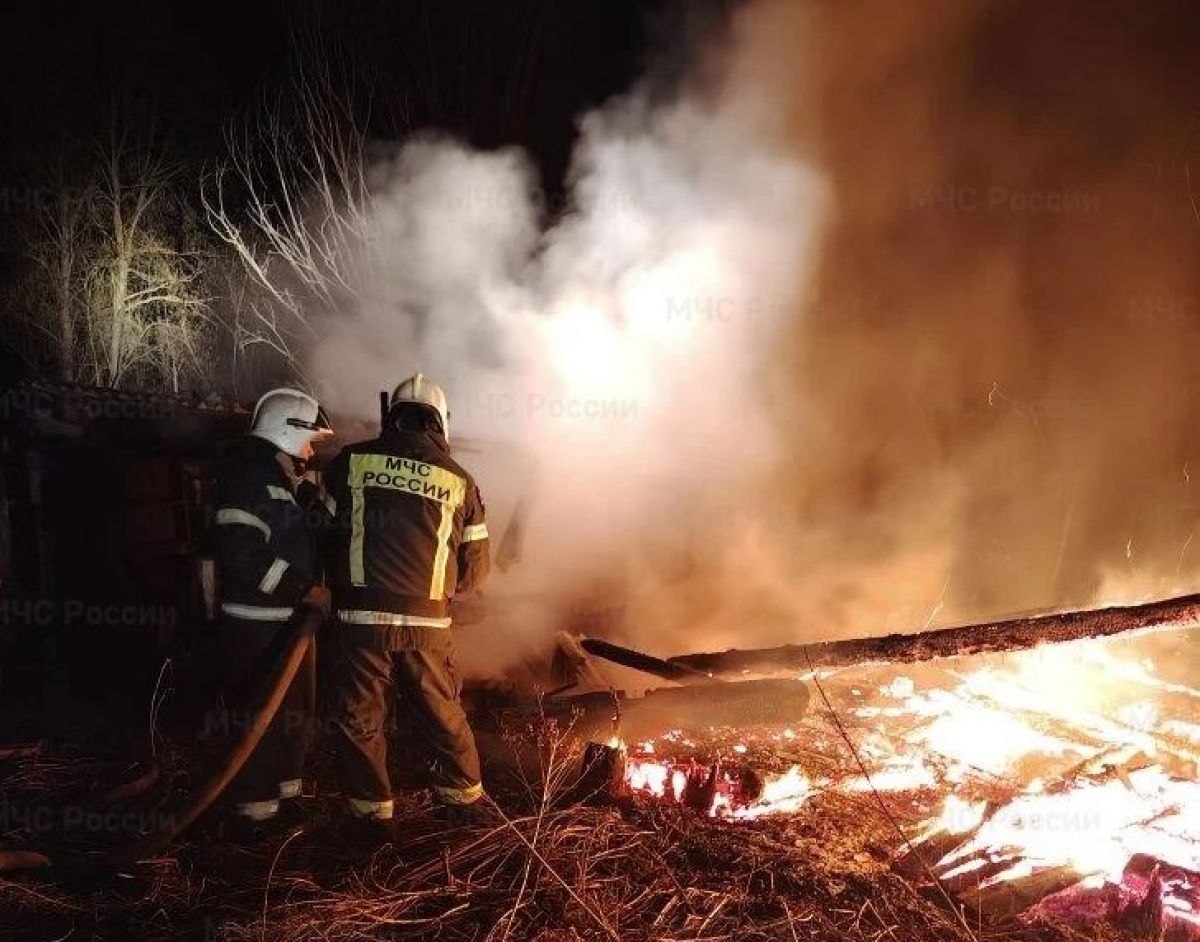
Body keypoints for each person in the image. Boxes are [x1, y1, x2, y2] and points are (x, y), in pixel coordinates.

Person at [324, 373, 491, 831]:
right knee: (442, 712)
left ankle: (371, 821)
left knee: (360, 719)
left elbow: (323, 536)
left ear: (391, 416)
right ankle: (463, 807)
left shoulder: (350, 462)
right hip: (428, 626)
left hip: (360, 621)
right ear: (440, 422)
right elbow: (475, 573)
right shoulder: (459, 481)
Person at [212, 387, 334, 835]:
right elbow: (241, 553)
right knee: (261, 718)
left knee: (293, 716)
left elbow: (307, 536)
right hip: (256, 627)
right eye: (309, 442)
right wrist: (302, 589)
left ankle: (284, 799)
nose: (310, 452)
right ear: (287, 430)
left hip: (290, 623)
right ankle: (254, 815)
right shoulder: (246, 476)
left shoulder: (280, 482)